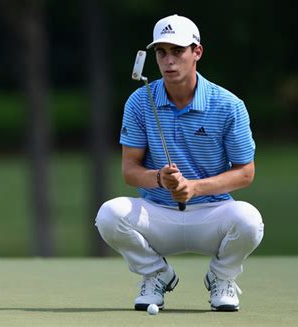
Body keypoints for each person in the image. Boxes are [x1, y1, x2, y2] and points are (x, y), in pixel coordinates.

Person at [95, 14, 264, 312]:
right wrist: (160, 178)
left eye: (177, 51)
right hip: (157, 214)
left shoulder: (228, 105)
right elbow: (129, 171)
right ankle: (156, 274)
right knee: (109, 214)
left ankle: (221, 277)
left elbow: (246, 172)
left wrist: (194, 187)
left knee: (249, 220)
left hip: (211, 214)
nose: (168, 61)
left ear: (196, 52)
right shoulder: (139, 101)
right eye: (161, 52)